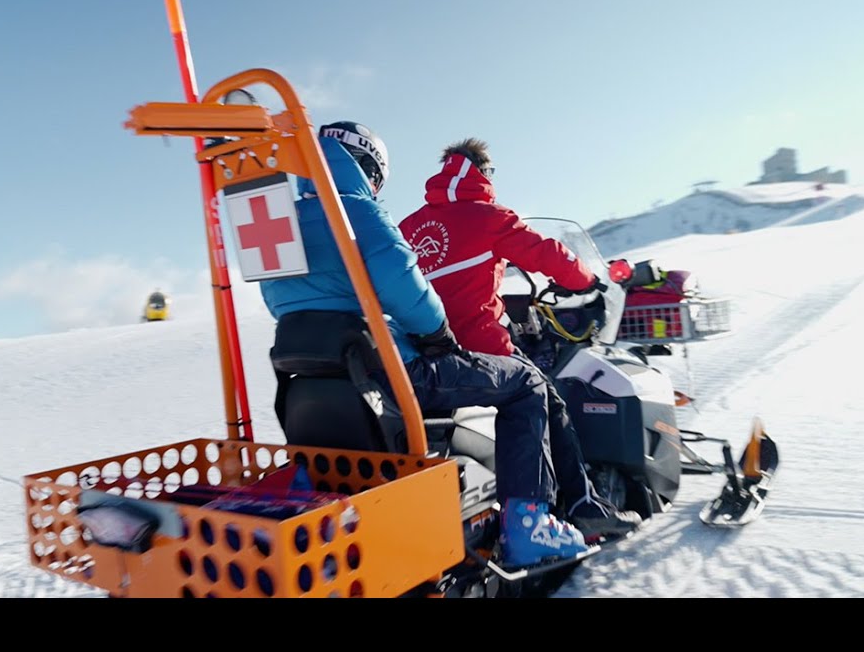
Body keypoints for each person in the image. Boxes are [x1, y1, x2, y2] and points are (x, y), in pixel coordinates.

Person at [260, 121, 589, 567]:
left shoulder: (281, 221)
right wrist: (437, 333)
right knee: (527, 384)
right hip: (389, 368)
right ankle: (528, 524)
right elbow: (402, 283)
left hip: (311, 377)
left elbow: (279, 300)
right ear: (369, 169)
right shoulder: (356, 210)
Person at [397, 137, 641, 537]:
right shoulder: (488, 216)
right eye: (490, 171)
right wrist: (587, 281)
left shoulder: (410, 225)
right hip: (479, 347)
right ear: (481, 171)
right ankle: (578, 505)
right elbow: (547, 254)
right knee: (543, 394)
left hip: (419, 353)